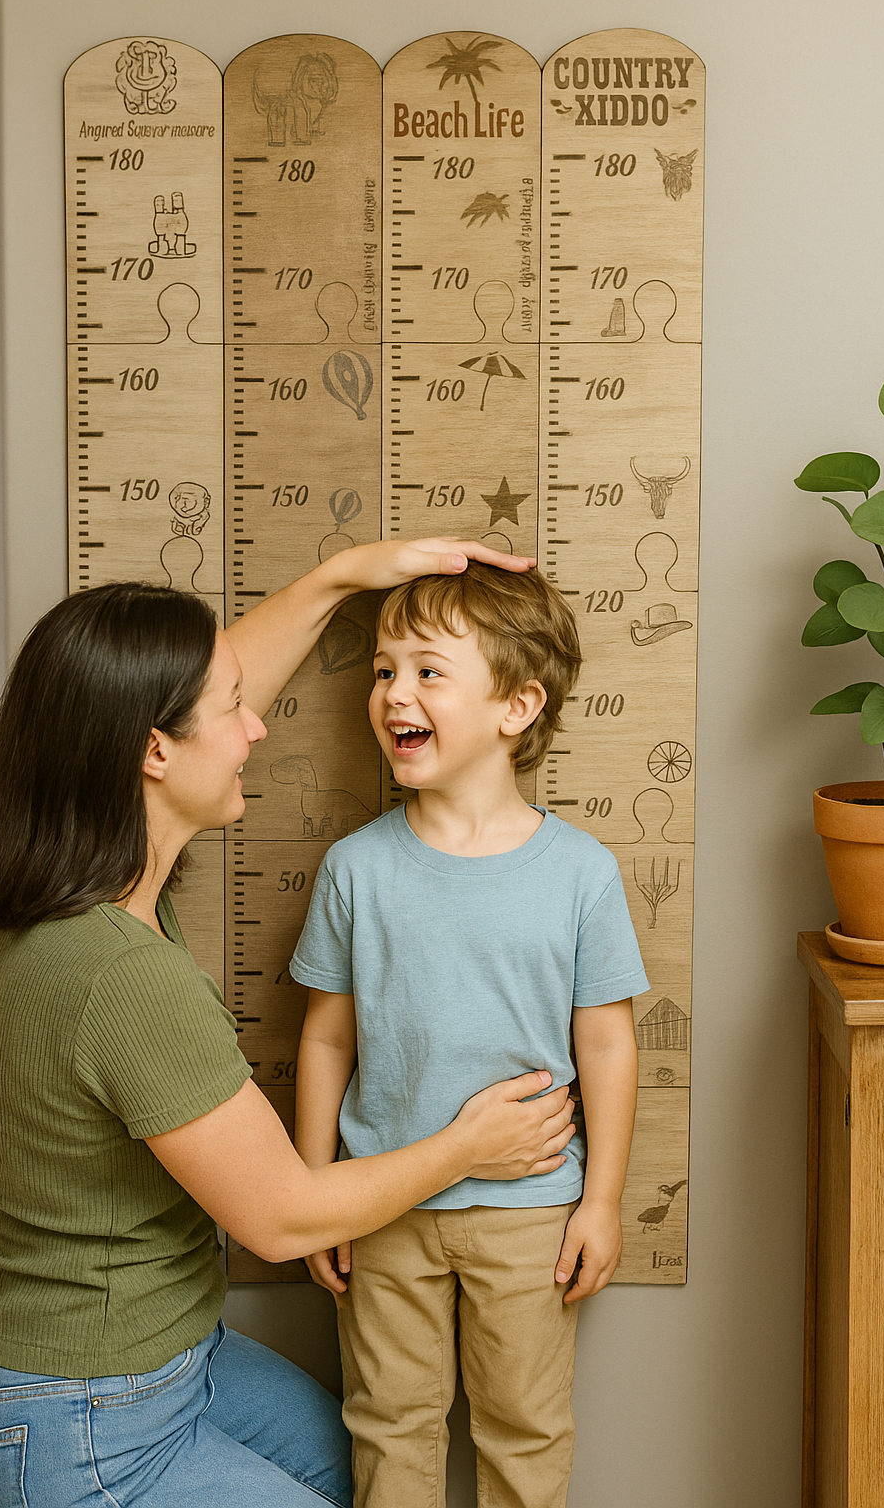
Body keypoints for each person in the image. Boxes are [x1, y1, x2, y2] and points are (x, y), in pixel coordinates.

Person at [0, 540, 579, 1508]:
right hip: (72, 1413)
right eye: (234, 712)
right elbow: (279, 1216)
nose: (256, 728)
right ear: (153, 752)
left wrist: (346, 574)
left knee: (357, 1464)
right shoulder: (120, 975)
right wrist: (468, 1145)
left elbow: (183, 694)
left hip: (167, 1359)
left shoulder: (37, 877)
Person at [291, 563, 648, 1508]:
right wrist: (314, 1185)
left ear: (517, 705)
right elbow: (327, 1040)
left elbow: (608, 1046)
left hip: (530, 1213)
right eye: (381, 672)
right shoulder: (356, 870)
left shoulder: (581, 873)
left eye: (426, 671)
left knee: (526, 1434)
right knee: (389, 1427)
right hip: (381, 1208)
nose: (393, 693)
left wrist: (601, 1201)